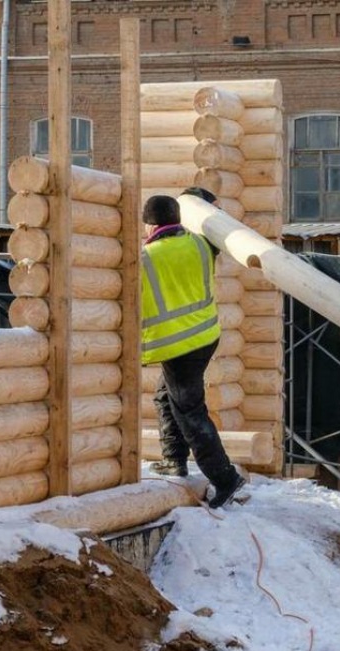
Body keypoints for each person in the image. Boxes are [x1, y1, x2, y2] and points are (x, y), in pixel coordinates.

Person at [141, 192, 245, 508]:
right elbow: (218, 225)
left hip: (179, 344)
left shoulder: (146, 256)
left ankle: (225, 478)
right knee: (165, 395)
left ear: (150, 225)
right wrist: (200, 202)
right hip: (205, 335)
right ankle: (174, 459)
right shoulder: (200, 244)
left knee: (189, 410)